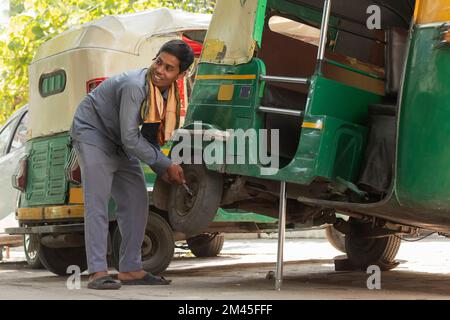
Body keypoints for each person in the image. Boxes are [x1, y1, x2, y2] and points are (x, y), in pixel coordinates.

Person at [70, 39, 192, 290]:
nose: (160, 70)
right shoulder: (136, 86)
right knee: (98, 202)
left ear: (181, 74)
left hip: (120, 141)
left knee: (137, 201)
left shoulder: (167, 95)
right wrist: (165, 164)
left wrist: (164, 168)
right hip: (93, 132)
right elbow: (130, 138)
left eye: (169, 68)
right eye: (159, 62)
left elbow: (146, 138)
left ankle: (130, 269)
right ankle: (97, 272)